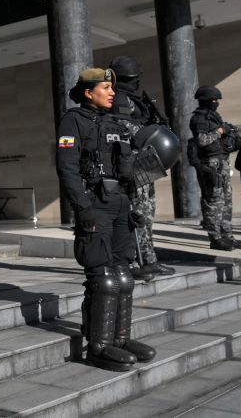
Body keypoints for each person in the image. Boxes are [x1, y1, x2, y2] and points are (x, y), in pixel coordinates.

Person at [56, 67, 156, 372]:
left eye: (112, 88)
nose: (113, 92)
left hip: (120, 203)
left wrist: (133, 205)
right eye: (106, 88)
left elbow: (130, 168)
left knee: (124, 277)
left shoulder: (116, 123)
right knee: (103, 279)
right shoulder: (73, 120)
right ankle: (98, 346)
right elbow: (67, 167)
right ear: (89, 93)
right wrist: (82, 206)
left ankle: (120, 340)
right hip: (95, 203)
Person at [108, 56, 174, 281]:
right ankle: (135, 263)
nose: (137, 82)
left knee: (146, 214)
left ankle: (149, 260)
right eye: (134, 78)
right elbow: (120, 127)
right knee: (136, 215)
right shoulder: (119, 100)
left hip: (144, 163)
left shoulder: (134, 100)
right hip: (132, 164)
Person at [189, 86, 241, 251]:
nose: (216, 103)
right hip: (210, 164)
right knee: (213, 202)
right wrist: (220, 131)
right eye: (214, 100)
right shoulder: (199, 119)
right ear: (206, 100)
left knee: (226, 201)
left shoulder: (213, 117)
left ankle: (227, 236)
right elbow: (202, 140)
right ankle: (215, 238)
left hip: (222, 161)